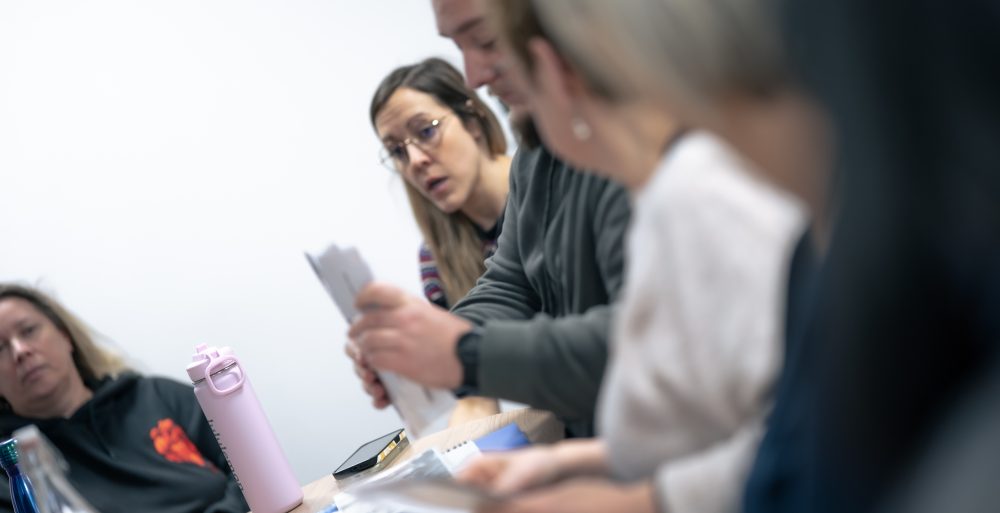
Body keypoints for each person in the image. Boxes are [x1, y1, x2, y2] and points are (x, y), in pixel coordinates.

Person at [452, 1, 804, 513]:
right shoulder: (661, 189)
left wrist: (627, 500)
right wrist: (568, 465)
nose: (478, 77)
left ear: (552, 66)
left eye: (486, 42)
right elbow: (704, 418)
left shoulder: (691, 192)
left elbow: (804, 433)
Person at [344, 0, 632, 438]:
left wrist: (459, 352)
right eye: (398, 151)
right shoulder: (535, 161)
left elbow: (638, 346)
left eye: (486, 40)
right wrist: (417, 343)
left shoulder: (632, 144)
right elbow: (509, 285)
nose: (474, 75)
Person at [0, 283, 249, 513]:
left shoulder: (157, 396)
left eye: (29, 330)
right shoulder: (10, 470)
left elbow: (253, 471)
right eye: (1, 348)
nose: (21, 351)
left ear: (66, 336)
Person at [370, 57, 512, 424]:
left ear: (472, 119)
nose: (415, 160)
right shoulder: (436, 256)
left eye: (426, 131)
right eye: (397, 151)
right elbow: (476, 392)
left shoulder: (543, 192)